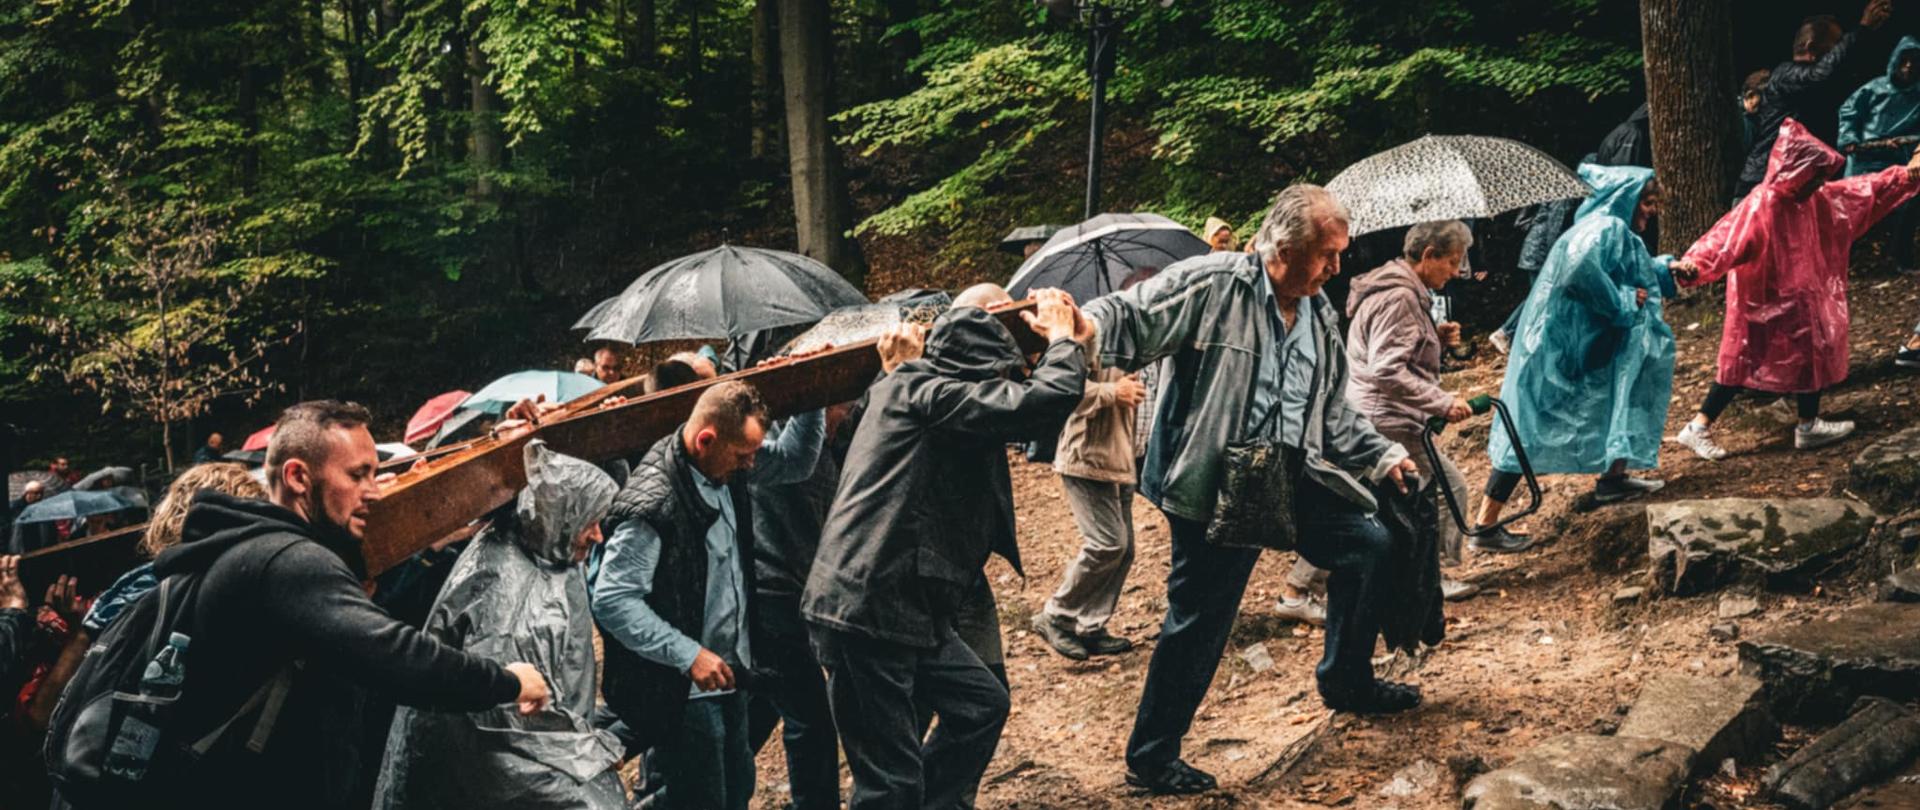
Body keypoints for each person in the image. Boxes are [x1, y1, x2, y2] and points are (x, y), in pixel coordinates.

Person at [1082, 185, 1420, 795]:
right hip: (1215, 482)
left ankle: (1347, 681)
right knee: (1202, 618)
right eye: (1327, 255)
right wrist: (1071, 326)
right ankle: (1152, 757)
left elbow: (1333, 409)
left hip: (1292, 472)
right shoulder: (1214, 285)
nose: (1337, 268)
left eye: (1340, 255)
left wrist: (1382, 452)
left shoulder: (1318, 312)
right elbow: (1128, 316)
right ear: (1284, 248)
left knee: (1369, 545)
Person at [123, 400, 552, 809]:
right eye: (357, 475)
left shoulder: (259, 550)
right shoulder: (286, 562)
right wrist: (508, 682)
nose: (374, 492)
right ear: (297, 478)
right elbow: (395, 657)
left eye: (375, 474)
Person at [802, 289, 1088, 809]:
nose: (1010, 386)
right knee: (890, 783)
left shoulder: (904, 386)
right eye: (1004, 377)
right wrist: (1063, 341)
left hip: (906, 603)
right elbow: (1040, 405)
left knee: (981, 707)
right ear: (978, 372)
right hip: (867, 609)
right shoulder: (931, 394)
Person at [592, 382, 824, 810]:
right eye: (744, 456)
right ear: (706, 440)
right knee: (703, 798)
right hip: (681, 685)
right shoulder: (654, 503)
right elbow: (612, 599)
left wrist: (810, 390)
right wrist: (688, 655)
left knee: (736, 788)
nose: (752, 463)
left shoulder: (722, 462)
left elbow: (795, 461)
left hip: (728, 671)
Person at [373, 441, 625, 810]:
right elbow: (502, 719)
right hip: (477, 770)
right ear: (564, 516)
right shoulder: (507, 590)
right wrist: (589, 751)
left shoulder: (546, 557)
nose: (599, 535)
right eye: (591, 522)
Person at [1673, 121, 1920, 459]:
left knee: (1808, 351)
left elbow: (1860, 192)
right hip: (1764, 299)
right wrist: (1695, 266)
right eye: (1816, 174)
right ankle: (1700, 425)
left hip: (1797, 299)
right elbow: (1724, 241)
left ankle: (1807, 423)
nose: (1821, 181)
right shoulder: (1764, 203)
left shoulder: (1812, 198)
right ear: (1797, 170)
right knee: (1742, 359)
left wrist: (1903, 177)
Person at [1482, 164, 1676, 537]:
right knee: (1526, 426)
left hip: (1573, 343)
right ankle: (1484, 525)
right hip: (1560, 348)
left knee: (1604, 401)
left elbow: (1624, 270)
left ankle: (1613, 479)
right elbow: (1579, 274)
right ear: (1627, 197)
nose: (1651, 211)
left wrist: (1666, 271)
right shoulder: (1606, 227)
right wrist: (1623, 300)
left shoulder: (1602, 227)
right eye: (1648, 202)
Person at [1347, 221, 1523, 593]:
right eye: (1452, 261)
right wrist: (1442, 402)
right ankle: (1434, 579)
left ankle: (1300, 589)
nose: (1458, 271)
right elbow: (1386, 369)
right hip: (1387, 417)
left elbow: (1392, 352)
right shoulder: (1399, 297)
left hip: (1376, 413)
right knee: (1448, 489)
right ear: (1429, 255)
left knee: (1354, 500)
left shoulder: (1400, 289)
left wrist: (1434, 339)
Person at [744, 402, 855, 810]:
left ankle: (702, 789)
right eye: (839, 407)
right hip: (771, 593)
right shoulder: (774, 452)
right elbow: (799, 465)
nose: (844, 417)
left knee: (763, 704)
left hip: (788, 593)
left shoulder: (822, 449)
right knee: (811, 720)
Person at [1030, 338, 1147, 660]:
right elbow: (1056, 390)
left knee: (1124, 551)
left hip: (1122, 457)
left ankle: (1090, 626)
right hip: (1087, 457)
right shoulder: (1090, 341)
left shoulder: (1147, 343)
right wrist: (1112, 392)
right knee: (1107, 544)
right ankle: (1055, 615)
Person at [1738, 2, 1895, 197]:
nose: (1837, 53)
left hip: (1787, 189)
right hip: (1761, 188)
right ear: (1811, 46)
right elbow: (1821, 75)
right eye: (1834, 47)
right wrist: (1862, 29)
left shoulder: (1817, 89)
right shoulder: (1785, 74)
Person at [1839, 36, 1920, 274]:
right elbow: (1848, 112)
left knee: (1906, 206)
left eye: (1914, 61)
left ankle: (1900, 259)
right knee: (1852, 208)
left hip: (1900, 157)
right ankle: (1842, 262)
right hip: (1865, 157)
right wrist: (1849, 139)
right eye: (1904, 61)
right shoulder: (1873, 89)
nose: (1908, 67)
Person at [8, 481, 58, 555]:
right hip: (21, 551)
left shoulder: (45, 508)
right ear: (27, 493)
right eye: (36, 493)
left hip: (41, 549)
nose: (39, 496)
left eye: (41, 493)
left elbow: (51, 531)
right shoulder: (14, 508)